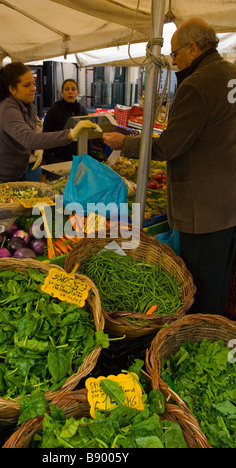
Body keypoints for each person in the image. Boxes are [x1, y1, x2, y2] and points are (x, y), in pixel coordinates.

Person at [103, 18, 236, 316]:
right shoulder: (231, 73)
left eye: (175, 54)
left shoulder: (197, 85)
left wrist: (123, 143)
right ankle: (213, 331)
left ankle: (196, 337)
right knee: (220, 280)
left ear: (193, 48)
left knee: (198, 287)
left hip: (203, 208)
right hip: (229, 201)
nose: (173, 62)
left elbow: (167, 147)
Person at [0, 62, 96, 182]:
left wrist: (38, 148)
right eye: (27, 85)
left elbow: (32, 131)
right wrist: (70, 134)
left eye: (33, 83)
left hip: (17, 172)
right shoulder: (7, 110)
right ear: (12, 89)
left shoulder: (27, 106)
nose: (33, 88)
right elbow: (29, 139)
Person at [42, 79, 88, 164]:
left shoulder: (82, 111)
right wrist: (49, 159)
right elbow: (45, 135)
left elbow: (87, 135)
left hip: (79, 158)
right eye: (66, 89)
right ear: (62, 93)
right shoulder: (53, 111)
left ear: (77, 92)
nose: (70, 92)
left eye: (73, 89)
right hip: (58, 159)